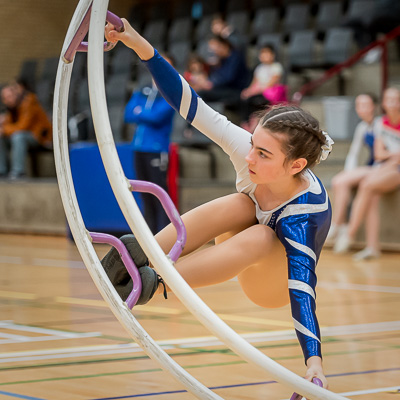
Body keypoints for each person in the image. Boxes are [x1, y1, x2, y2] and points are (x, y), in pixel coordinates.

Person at [102, 19, 335, 387]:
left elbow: (303, 290)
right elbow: (188, 103)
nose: (250, 158)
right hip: (236, 246)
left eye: (263, 154)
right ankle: (141, 253)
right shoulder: (250, 152)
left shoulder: (305, 213)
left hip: (271, 284)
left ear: (296, 166)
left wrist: (314, 363)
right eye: (252, 144)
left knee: (261, 235)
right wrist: (139, 45)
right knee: (241, 205)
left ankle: (155, 283)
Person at [334, 87, 400, 259]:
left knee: (368, 185)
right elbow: (379, 154)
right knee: (370, 194)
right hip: (384, 168)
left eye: (397, 99)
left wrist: (391, 158)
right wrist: (394, 156)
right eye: (389, 99)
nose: (393, 103)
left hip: (394, 170)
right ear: (384, 103)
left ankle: (349, 232)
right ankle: (372, 247)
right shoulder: (381, 124)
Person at [124, 55, 176, 234]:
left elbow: (157, 117)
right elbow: (128, 114)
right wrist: (144, 113)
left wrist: (141, 112)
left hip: (156, 150)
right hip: (139, 149)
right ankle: (150, 237)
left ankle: (164, 236)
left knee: (159, 195)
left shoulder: (171, 92)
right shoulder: (143, 90)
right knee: (144, 195)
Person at [328, 93, 380, 258]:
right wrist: (349, 173)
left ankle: (337, 225)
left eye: (366, 105)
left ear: (375, 106)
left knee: (340, 180)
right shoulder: (362, 127)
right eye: (358, 105)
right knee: (339, 181)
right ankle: (340, 225)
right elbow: (353, 154)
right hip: (371, 167)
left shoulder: (381, 124)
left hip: (380, 168)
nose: (362, 109)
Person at [0, 81, 52, 180]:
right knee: (2, 137)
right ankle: (2, 171)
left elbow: (22, 126)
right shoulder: (12, 108)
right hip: (25, 136)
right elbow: (11, 124)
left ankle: (18, 172)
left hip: (40, 137)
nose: (8, 100)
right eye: (5, 98)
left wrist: (3, 129)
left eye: (10, 96)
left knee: (18, 137)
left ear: (16, 94)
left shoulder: (29, 102)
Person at [240, 44, 286, 131]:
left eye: (267, 53)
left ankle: (256, 122)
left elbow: (271, 84)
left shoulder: (277, 67)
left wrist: (256, 91)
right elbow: (254, 83)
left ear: (273, 55)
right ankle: (246, 123)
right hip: (258, 92)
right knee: (245, 99)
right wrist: (248, 91)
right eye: (262, 53)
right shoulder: (259, 68)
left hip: (270, 94)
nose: (264, 56)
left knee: (256, 100)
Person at [194, 35, 249, 105]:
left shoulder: (235, 57)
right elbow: (217, 75)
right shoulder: (221, 60)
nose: (213, 51)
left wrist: (211, 84)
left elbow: (229, 78)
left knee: (202, 94)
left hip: (235, 90)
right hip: (223, 88)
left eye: (215, 48)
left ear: (223, 45)